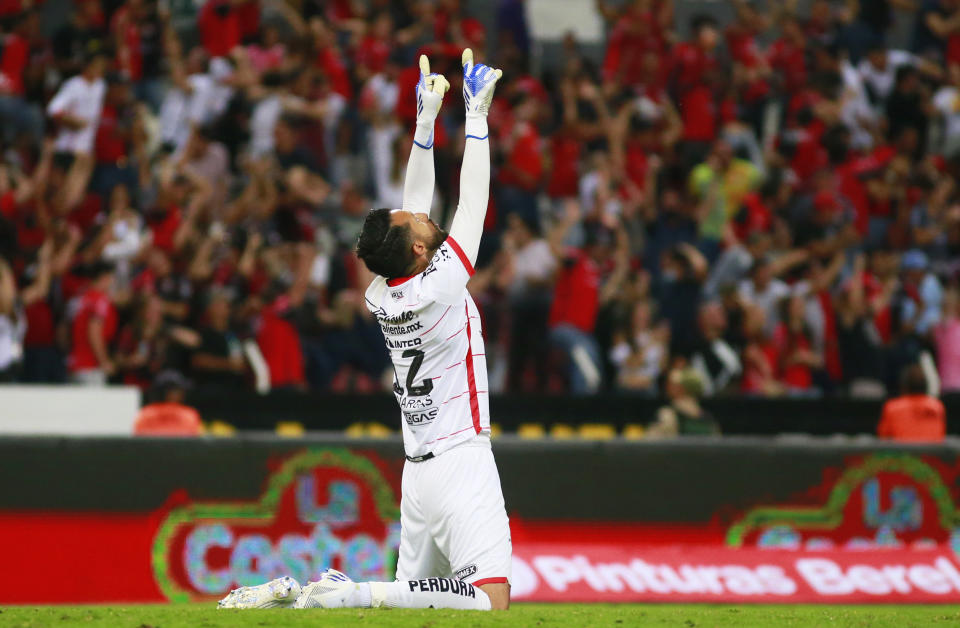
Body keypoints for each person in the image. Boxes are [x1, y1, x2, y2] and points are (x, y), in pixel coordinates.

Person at [219, 50, 510, 612]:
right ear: (421, 251)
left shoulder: (384, 290)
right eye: (420, 224)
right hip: (460, 460)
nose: (423, 213)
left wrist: (425, 123)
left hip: (419, 473)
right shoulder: (441, 284)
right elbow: (473, 203)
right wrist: (476, 115)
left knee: (417, 608)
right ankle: (347, 593)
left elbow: (409, 211)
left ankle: (310, 597)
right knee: (487, 603)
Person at [877, 364, 946, 442]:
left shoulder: (892, 407)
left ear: (904, 386)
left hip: (903, 453)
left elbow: (883, 437)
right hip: (933, 453)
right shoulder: (937, 406)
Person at [132, 370, 203, 436]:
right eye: (178, 390)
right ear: (167, 393)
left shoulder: (145, 414)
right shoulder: (189, 415)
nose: (183, 393)